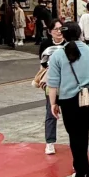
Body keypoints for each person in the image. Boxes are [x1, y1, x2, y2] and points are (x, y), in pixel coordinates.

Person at [45, 20, 89, 177]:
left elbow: (52, 83)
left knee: (74, 135)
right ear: (80, 33)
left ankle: (83, 171)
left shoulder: (58, 55)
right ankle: (80, 166)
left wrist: (53, 104)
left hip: (68, 99)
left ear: (64, 35)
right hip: (88, 96)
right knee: (83, 132)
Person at [34, 19, 64, 155]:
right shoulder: (45, 45)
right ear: (50, 32)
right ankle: (50, 142)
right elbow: (43, 64)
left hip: (67, 83)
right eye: (56, 29)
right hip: (51, 83)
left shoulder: (68, 43)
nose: (59, 32)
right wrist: (42, 78)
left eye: (61, 29)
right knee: (50, 112)